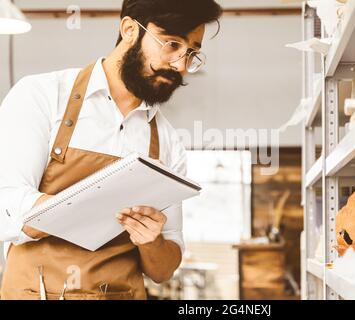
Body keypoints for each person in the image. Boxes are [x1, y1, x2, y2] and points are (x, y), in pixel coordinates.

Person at [0, 0, 222, 300]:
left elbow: (163, 270)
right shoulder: (41, 96)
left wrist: (150, 240)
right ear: (130, 30)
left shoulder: (167, 141)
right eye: (172, 44)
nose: (181, 65)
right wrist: (91, 207)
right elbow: (8, 209)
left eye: (191, 53)